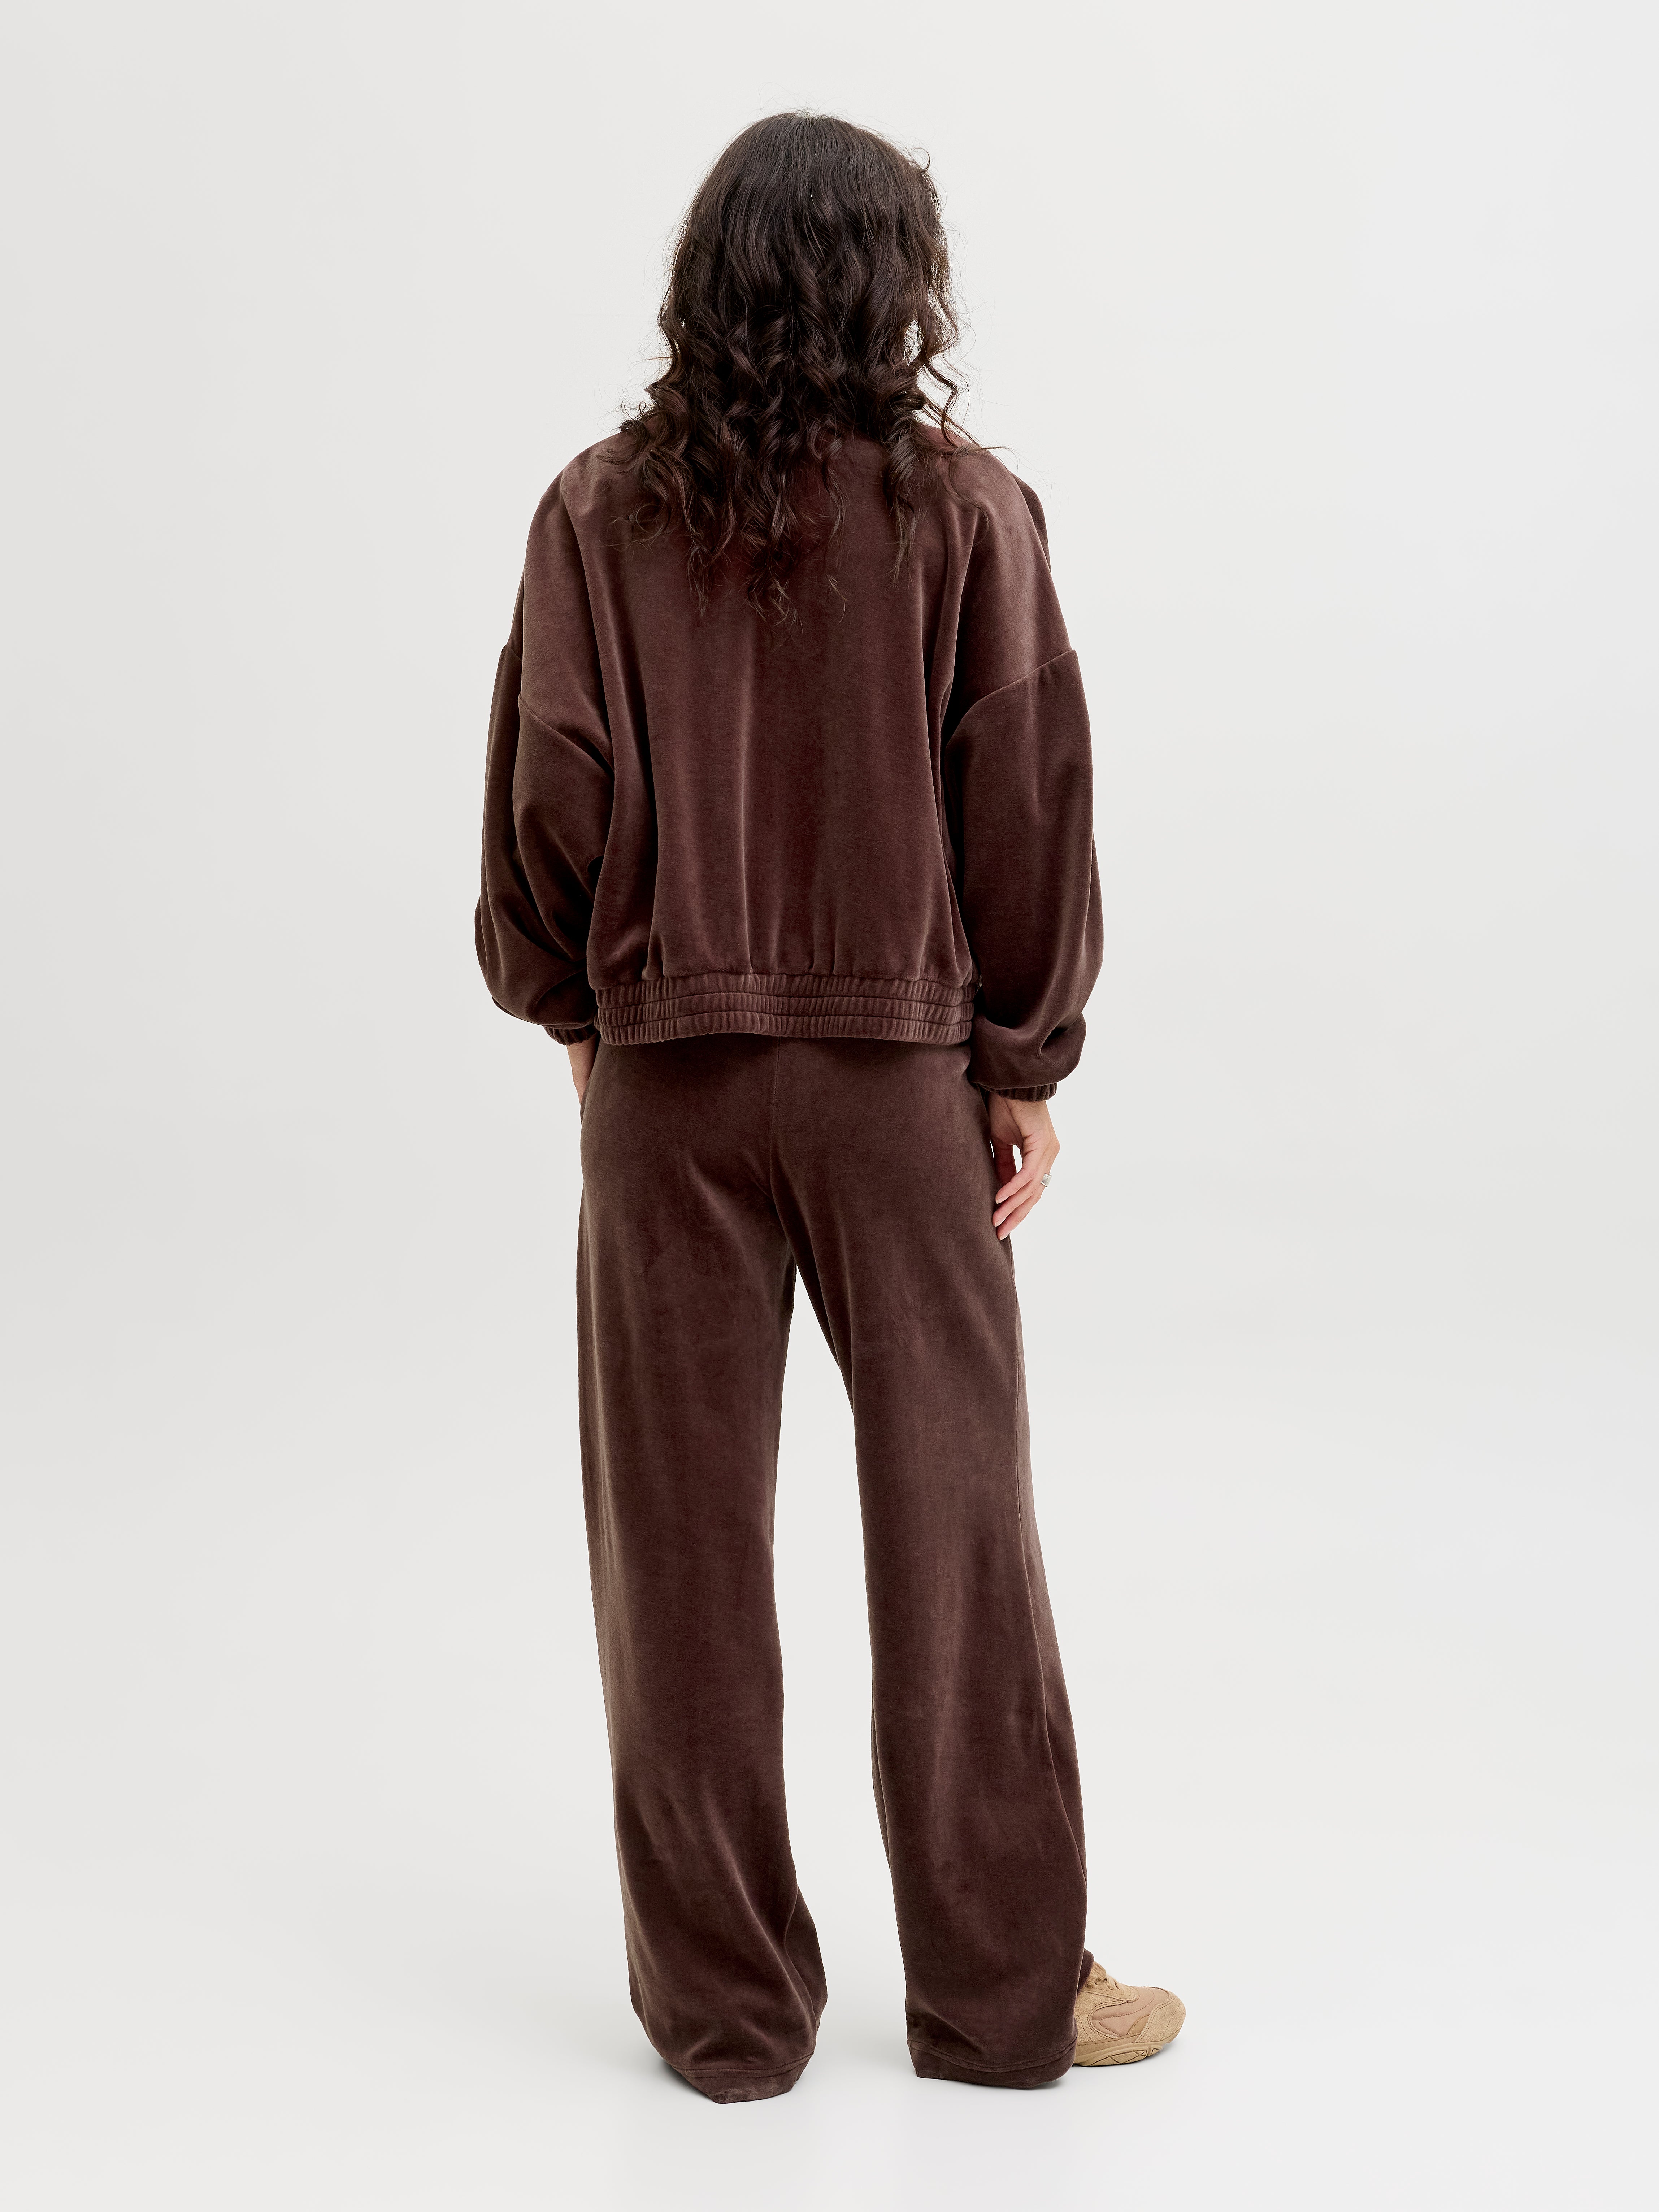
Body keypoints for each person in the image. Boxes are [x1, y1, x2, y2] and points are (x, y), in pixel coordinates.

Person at [476, 110, 1183, 2103]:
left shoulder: (595, 511)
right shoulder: (967, 512)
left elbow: (550, 781)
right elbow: (1024, 795)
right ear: (897, 287)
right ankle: (1002, 1997)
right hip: (897, 1093)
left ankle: (725, 2018)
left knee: (677, 1555)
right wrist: (1020, 1060)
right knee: (958, 1535)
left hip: (666, 1096)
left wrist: (583, 1009)